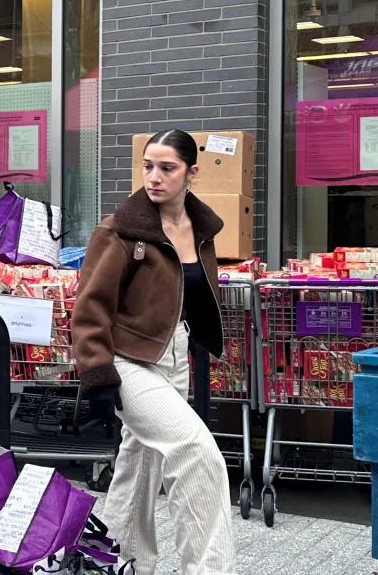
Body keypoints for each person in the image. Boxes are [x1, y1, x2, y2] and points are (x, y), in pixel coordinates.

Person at [72, 129, 236, 575]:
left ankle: (120, 561)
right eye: (148, 166)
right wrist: (98, 371)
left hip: (174, 354)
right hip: (126, 360)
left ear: (191, 173)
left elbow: (192, 292)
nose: (154, 177)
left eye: (167, 168)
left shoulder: (201, 230)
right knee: (197, 451)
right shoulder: (120, 230)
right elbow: (89, 307)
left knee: (140, 463)